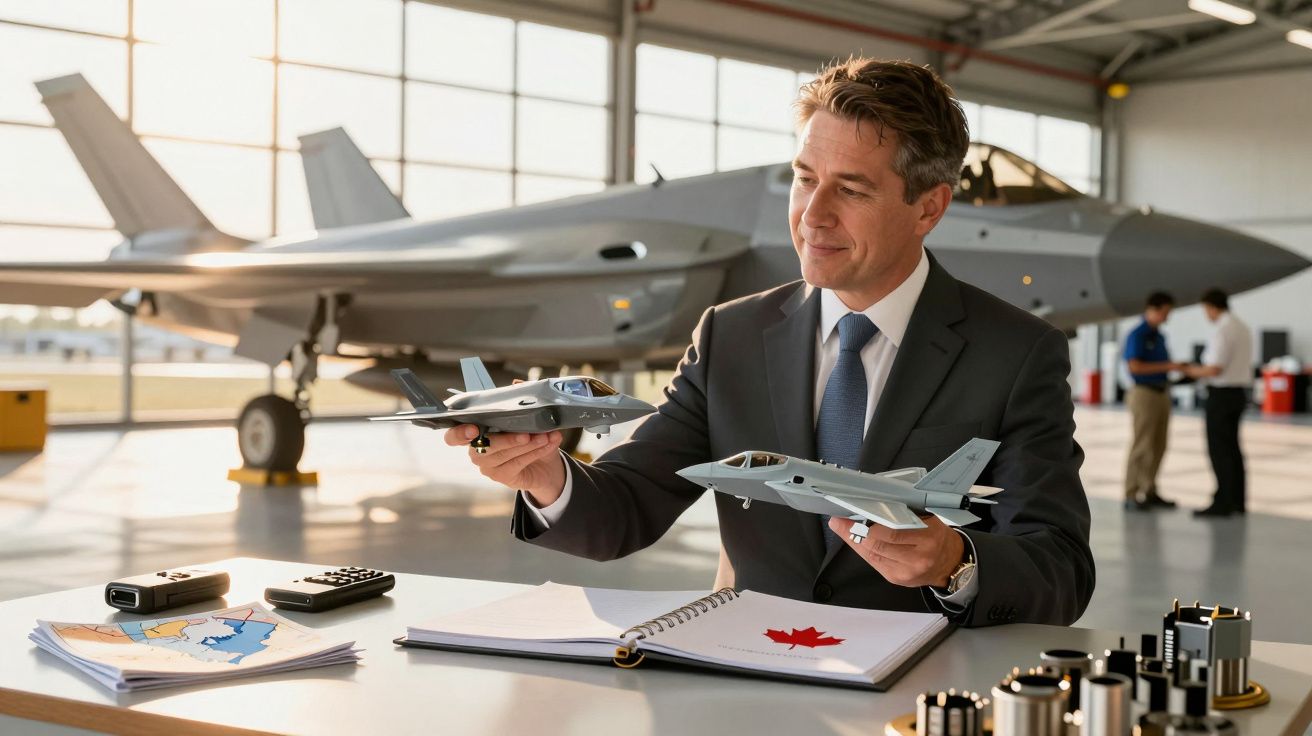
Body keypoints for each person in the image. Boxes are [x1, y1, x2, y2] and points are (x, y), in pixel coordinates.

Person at [445, 58, 1094, 627]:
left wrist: (956, 563)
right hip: (750, 686)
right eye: (805, 177)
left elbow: (1060, 569)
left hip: (917, 695)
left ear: (928, 207)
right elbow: (627, 508)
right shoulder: (731, 334)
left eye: (852, 189)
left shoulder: (1016, 353)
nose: (812, 215)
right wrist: (546, 477)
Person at [1185, 289, 1253, 517]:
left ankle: (1223, 502)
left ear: (1212, 307)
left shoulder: (1223, 330)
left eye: (1205, 309)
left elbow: (1214, 368)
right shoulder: (1242, 327)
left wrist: (1190, 371)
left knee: (1220, 450)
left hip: (1221, 396)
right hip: (1238, 394)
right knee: (1233, 449)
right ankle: (1237, 501)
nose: (1206, 314)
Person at [1121, 292, 1184, 511]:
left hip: (1161, 392)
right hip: (1144, 394)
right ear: (1154, 309)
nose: (1167, 318)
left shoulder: (1159, 336)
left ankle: (1149, 489)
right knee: (1142, 444)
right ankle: (1130, 494)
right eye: (1165, 313)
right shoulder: (1137, 335)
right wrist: (1168, 366)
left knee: (1159, 444)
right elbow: (1135, 366)